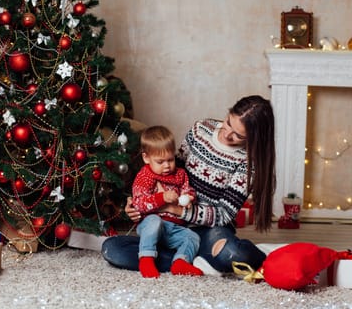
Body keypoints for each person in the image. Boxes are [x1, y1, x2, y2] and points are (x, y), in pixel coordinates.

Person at [102, 95, 275, 276]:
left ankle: (189, 257)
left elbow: (223, 214)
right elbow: (173, 169)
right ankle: (194, 261)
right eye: (229, 122)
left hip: (210, 230)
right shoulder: (201, 129)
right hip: (171, 226)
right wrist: (140, 204)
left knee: (234, 254)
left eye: (238, 135)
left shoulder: (249, 162)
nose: (227, 134)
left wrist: (174, 209)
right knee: (113, 249)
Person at [132, 125, 203, 278]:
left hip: (173, 228)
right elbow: (139, 203)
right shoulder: (145, 176)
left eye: (170, 160)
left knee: (193, 237)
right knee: (154, 221)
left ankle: (180, 262)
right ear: (146, 158)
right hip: (150, 224)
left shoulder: (180, 174)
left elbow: (187, 189)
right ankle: (146, 258)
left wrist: (189, 197)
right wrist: (161, 197)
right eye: (160, 161)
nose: (167, 166)